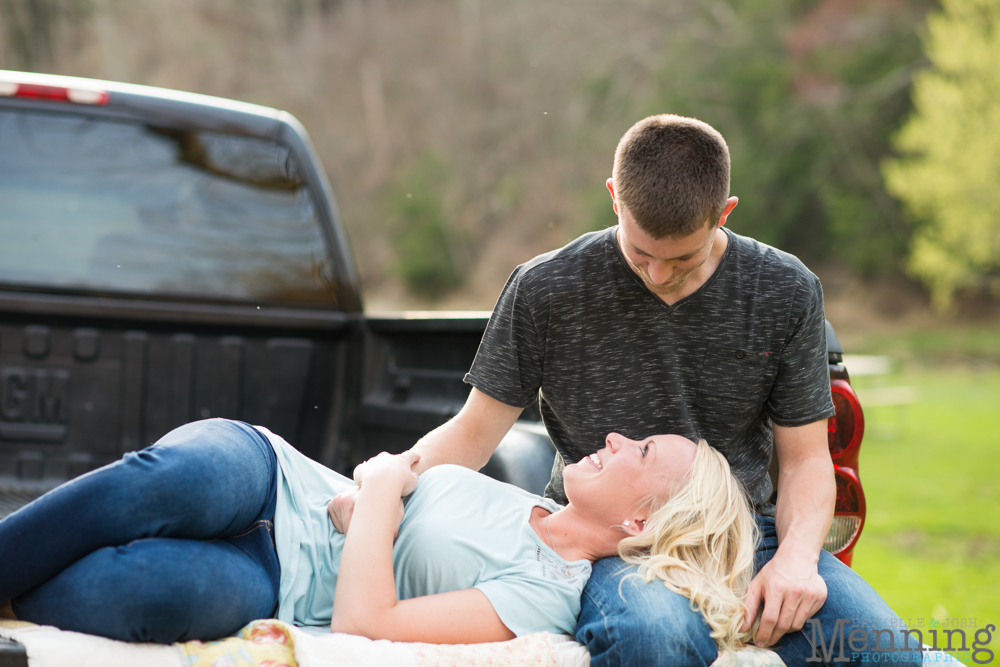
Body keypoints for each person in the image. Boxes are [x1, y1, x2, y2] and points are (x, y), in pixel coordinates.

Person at [397, 114, 924, 666]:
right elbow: (473, 433)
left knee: (890, 654)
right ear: (615, 200)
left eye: (682, 258)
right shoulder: (546, 287)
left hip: (745, 533)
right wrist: (385, 485)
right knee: (655, 637)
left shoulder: (785, 289)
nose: (656, 274)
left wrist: (795, 560)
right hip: (615, 539)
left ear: (724, 213)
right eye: (640, 253)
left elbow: (804, 462)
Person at [0, 418, 756, 656]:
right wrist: (373, 493)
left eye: (643, 453)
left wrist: (381, 501)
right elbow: (381, 478)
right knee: (169, 482)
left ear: (643, 523)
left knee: (151, 590)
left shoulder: (546, 596)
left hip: (277, 579)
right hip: (278, 478)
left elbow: (370, 623)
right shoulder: (521, 495)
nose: (618, 438)